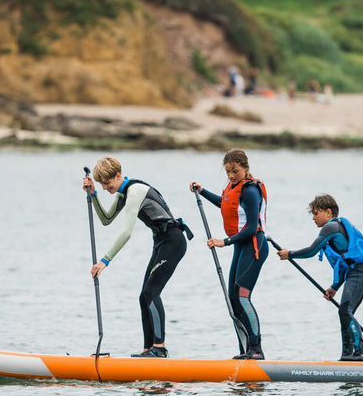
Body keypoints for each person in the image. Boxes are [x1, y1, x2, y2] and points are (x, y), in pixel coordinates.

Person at [83, 157, 193, 358]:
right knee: (144, 296)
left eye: (107, 183)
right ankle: (148, 349)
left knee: (151, 293)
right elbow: (106, 219)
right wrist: (94, 195)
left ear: (118, 175)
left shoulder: (134, 191)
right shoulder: (124, 192)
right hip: (161, 242)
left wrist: (104, 261)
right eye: (102, 185)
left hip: (173, 241)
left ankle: (160, 348)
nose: (106, 188)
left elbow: (126, 233)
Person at [189, 149, 269, 359]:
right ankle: (245, 349)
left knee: (243, 297)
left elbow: (252, 227)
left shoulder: (251, 191)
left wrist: (224, 242)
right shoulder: (233, 188)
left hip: (254, 246)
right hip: (241, 247)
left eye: (235, 171)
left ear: (245, 167)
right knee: (233, 297)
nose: (232, 176)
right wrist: (202, 191)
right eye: (228, 172)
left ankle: (256, 349)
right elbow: (224, 203)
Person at [277, 194, 363, 361]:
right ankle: (347, 354)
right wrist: (335, 287)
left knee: (345, 311)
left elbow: (311, 251)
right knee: (345, 313)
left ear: (329, 212)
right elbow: (345, 264)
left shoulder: (330, 227)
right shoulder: (336, 228)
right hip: (356, 273)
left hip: (360, 273)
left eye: (316, 213)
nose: (313, 218)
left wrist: (290, 254)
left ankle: (361, 353)